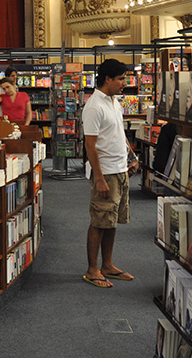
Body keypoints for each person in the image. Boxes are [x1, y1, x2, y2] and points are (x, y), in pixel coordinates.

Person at [82, 59, 139, 288]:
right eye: (121, 79)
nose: (124, 83)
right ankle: (92, 269)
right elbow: (90, 145)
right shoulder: (94, 106)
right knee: (99, 221)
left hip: (120, 170)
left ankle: (107, 265)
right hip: (105, 174)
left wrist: (131, 157)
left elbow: (118, 133)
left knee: (111, 221)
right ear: (108, 79)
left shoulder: (114, 102)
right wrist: (100, 178)